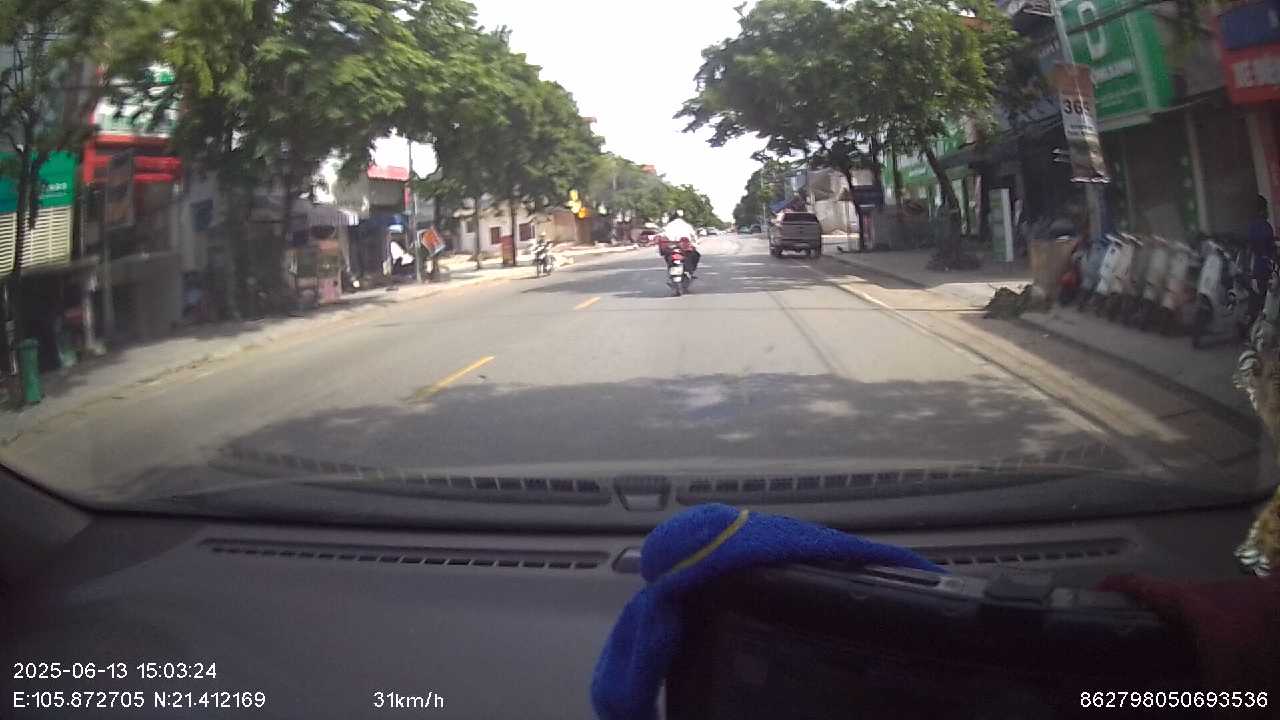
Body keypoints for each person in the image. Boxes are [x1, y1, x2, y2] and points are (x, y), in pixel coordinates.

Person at [1247, 195, 1276, 318]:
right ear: (1263, 209)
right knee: (1270, 299)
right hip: (1268, 268)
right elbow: (1271, 248)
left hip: (1257, 268)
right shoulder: (1266, 226)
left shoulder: (1251, 226)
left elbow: (1251, 249)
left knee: (1261, 300)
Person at [660, 211, 701, 275]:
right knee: (695, 255)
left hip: (671, 246)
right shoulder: (687, 225)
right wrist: (696, 242)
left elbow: (662, 235)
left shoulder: (668, 225)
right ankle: (690, 271)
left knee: (667, 255)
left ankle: (671, 268)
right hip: (684, 246)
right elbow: (693, 235)